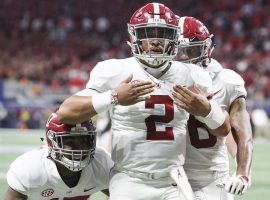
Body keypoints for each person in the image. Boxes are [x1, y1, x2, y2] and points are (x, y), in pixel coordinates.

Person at [58, 3, 230, 200]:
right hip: (130, 179)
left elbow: (223, 129)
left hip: (174, 179)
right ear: (134, 36)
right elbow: (66, 112)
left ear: (174, 38)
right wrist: (113, 97)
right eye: (148, 32)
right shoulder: (115, 71)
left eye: (163, 33)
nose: (155, 40)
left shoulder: (191, 75)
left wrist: (206, 110)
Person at [177, 16, 253, 199]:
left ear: (206, 48)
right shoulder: (161, 79)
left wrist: (242, 173)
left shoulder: (225, 81)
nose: (185, 57)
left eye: (192, 50)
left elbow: (242, 131)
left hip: (211, 178)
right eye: (179, 52)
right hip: (171, 176)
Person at [3, 112, 114, 200]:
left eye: (84, 140)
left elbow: (122, 194)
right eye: (70, 141)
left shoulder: (102, 163)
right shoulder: (30, 169)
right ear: (52, 142)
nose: (79, 148)